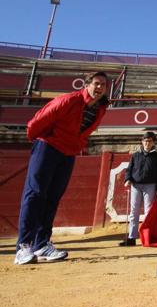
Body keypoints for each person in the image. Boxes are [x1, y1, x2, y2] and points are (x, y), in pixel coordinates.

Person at [14, 72, 109, 265]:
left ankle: (41, 244)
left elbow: (86, 131)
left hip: (68, 152)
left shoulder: (100, 108)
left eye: (103, 85)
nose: (100, 88)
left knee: (52, 197)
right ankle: (23, 246)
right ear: (87, 84)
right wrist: (43, 140)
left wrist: (76, 145)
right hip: (48, 146)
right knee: (35, 194)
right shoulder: (68, 100)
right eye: (97, 83)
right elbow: (38, 122)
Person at [120, 131, 157, 246]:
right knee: (134, 212)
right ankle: (131, 237)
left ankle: (147, 237)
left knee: (148, 212)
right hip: (136, 185)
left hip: (151, 185)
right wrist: (127, 179)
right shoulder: (136, 155)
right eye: (145, 141)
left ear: (153, 142)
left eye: (149, 141)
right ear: (142, 142)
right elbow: (129, 169)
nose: (147, 143)